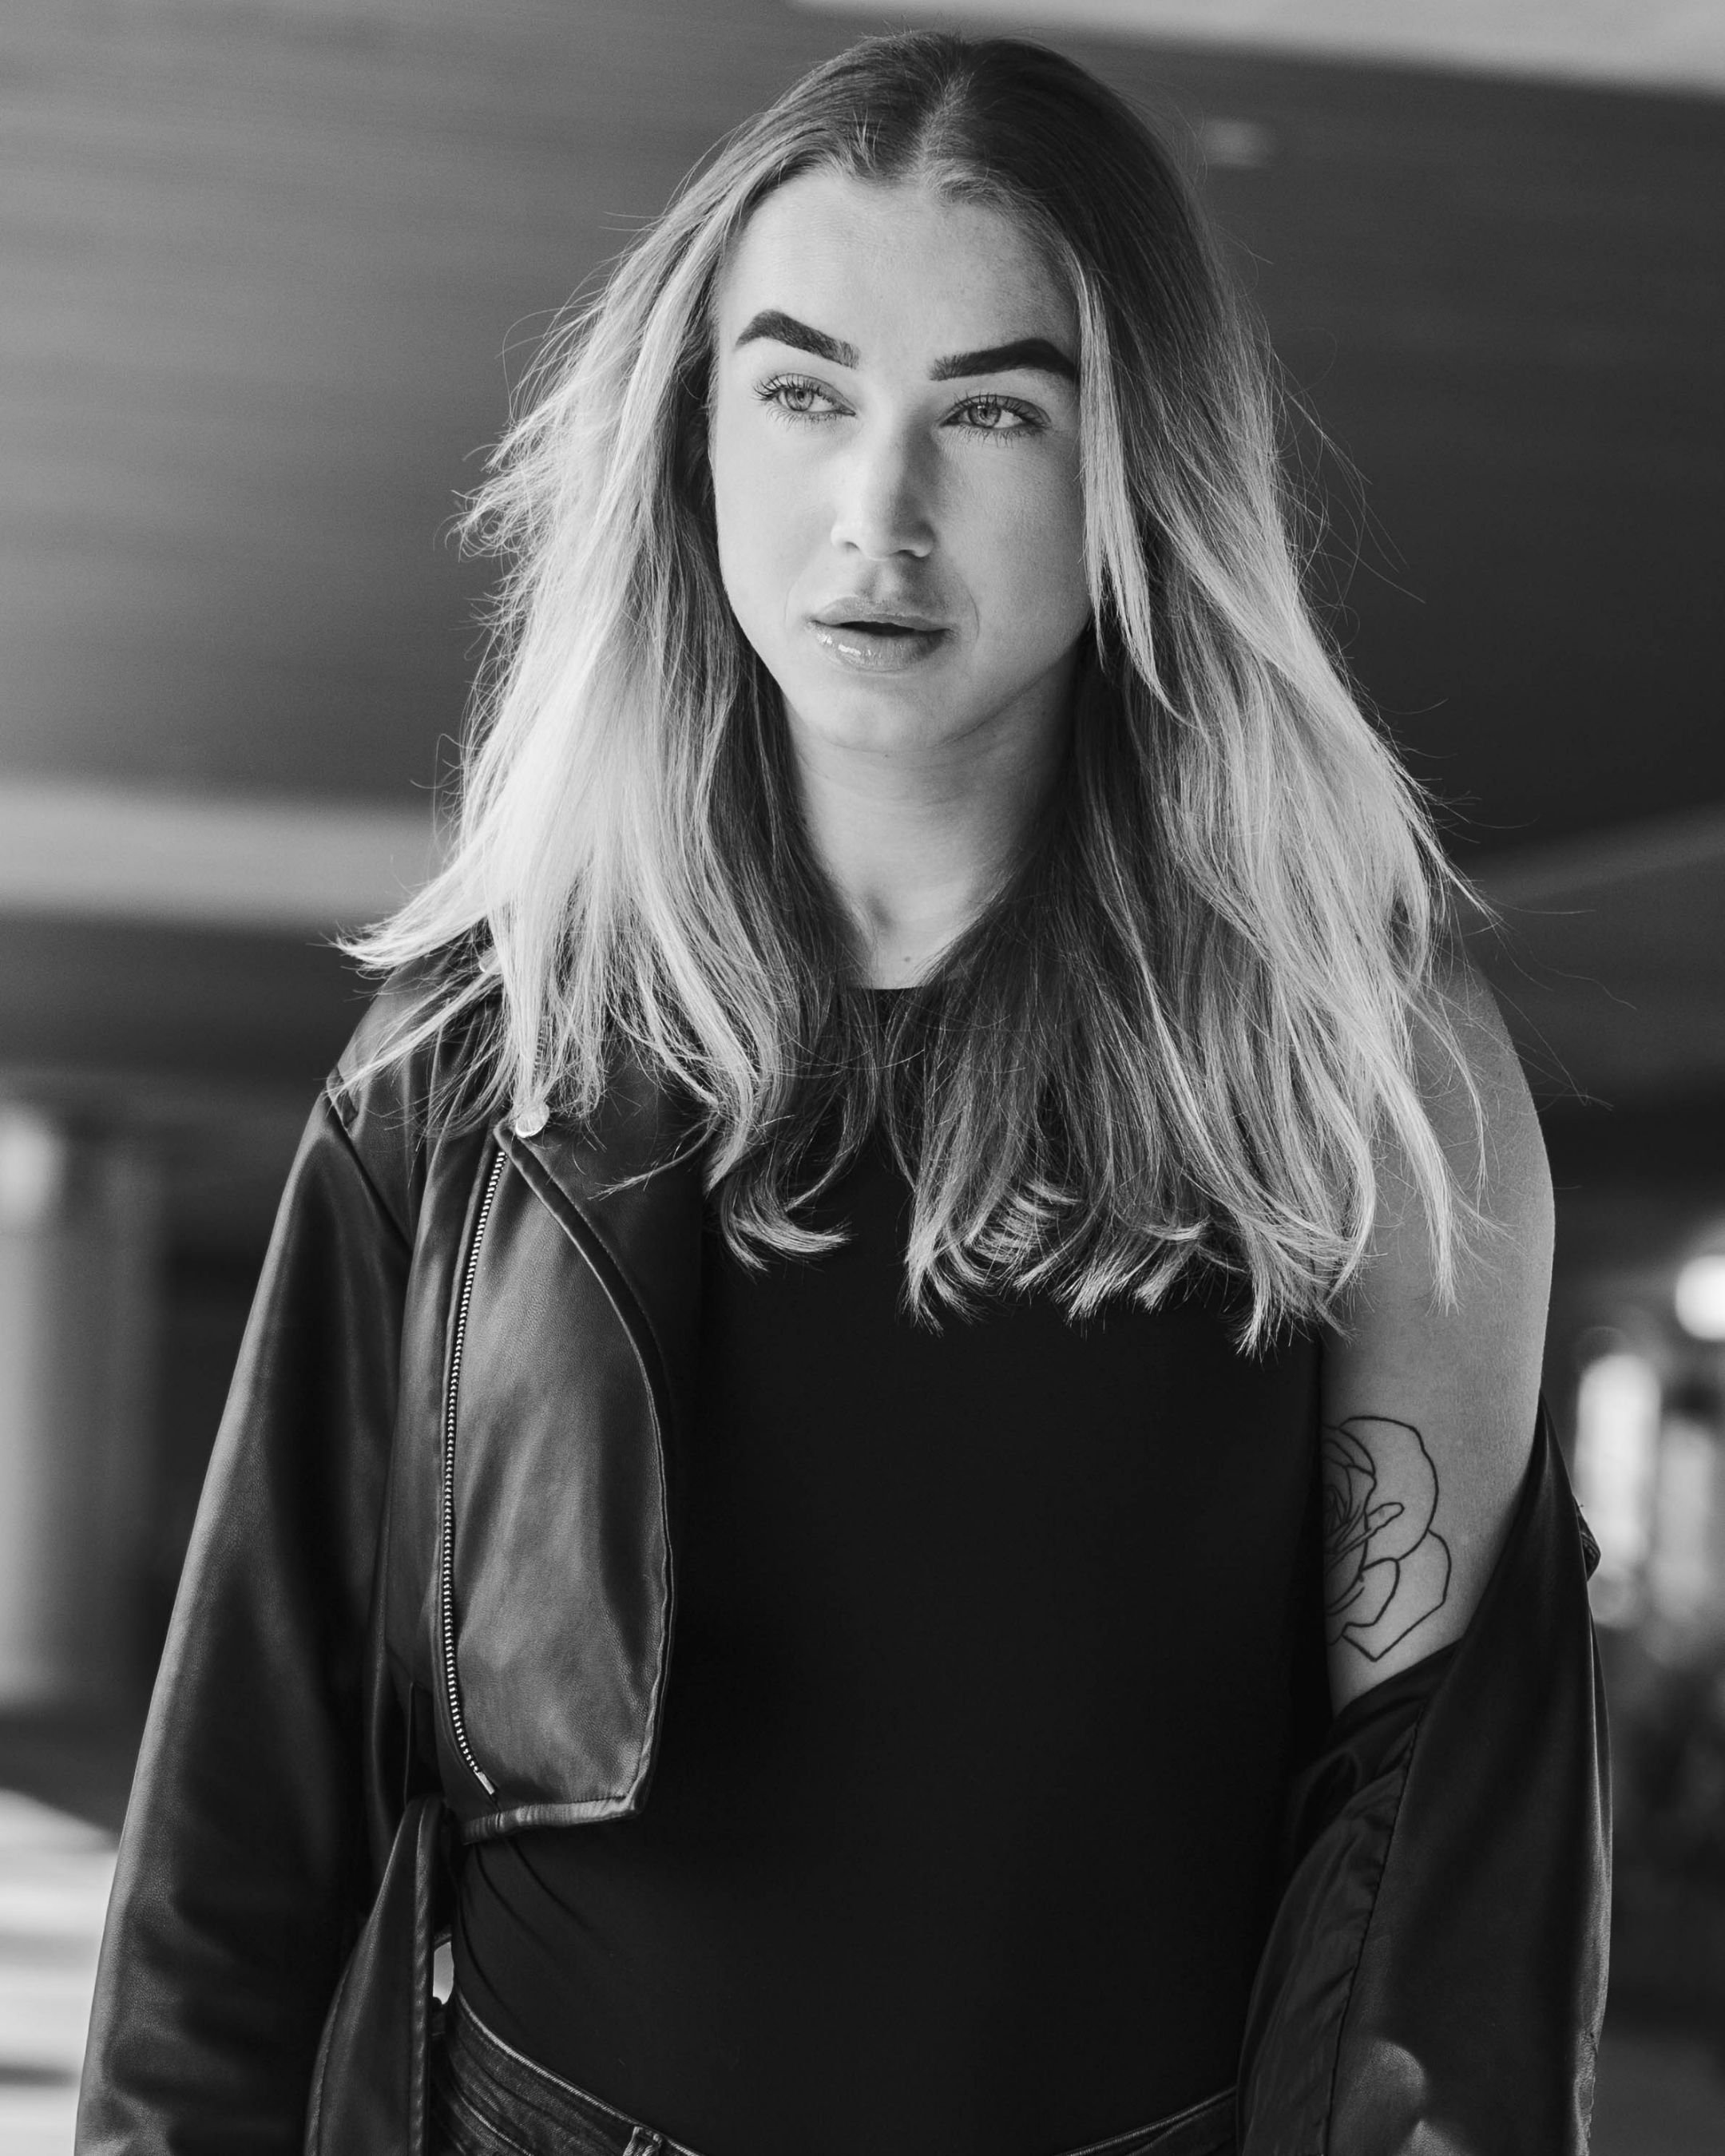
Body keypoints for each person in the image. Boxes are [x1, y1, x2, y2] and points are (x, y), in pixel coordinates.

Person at [77, 30, 1608, 2156]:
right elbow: (232, 1875)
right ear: (695, 440)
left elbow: (1445, 1885)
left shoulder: (1359, 1075)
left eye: (993, 409)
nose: (876, 513)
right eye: (802, 393)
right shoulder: (471, 1072)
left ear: (1136, 471)